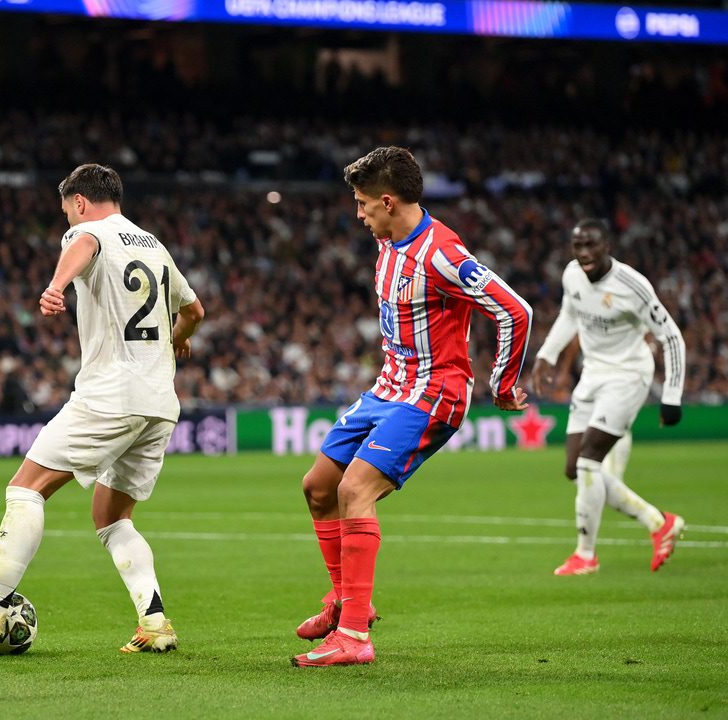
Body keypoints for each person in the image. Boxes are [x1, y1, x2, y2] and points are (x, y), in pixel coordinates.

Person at [0, 163, 205, 653]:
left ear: (79, 202)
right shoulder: (155, 245)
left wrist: (56, 286)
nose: (67, 222)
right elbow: (195, 311)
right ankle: (155, 622)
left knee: (25, 488)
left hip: (110, 394)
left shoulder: (89, 231)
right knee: (112, 517)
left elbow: (85, 246)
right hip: (159, 401)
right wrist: (177, 340)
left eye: (66, 212)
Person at [294, 146, 533, 667]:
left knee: (355, 489)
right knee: (318, 487)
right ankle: (346, 600)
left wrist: (504, 381)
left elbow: (515, 309)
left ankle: (354, 637)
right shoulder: (387, 242)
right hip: (388, 388)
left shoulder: (443, 253)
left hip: (436, 391)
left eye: (362, 204)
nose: (358, 214)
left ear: (387, 201)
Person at [531, 219, 686, 576]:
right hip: (593, 375)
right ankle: (659, 522)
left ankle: (586, 555)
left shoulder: (633, 285)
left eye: (591, 246)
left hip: (628, 376)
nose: (584, 254)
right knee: (575, 468)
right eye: (578, 246)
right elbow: (569, 313)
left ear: (607, 246)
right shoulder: (572, 275)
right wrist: (546, 355)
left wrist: (672, 396)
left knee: (588, 462)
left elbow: (672, 336)